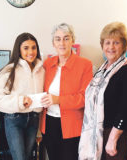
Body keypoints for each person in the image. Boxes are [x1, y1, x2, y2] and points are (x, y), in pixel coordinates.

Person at [78, 22, 127, 160]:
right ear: (102, 45)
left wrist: (113, 138)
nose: (111, 47)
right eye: (107, 43)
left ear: (123, 45)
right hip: (98, 134)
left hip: (116, 136)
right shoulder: (102, 70)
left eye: (116, 43)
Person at [40, 23, 93, 160]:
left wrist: (58, 100)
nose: (62, 43)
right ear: (53, 43)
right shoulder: (47, 63)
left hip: (72, 126)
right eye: (58, 39)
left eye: (66, 38)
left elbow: (85, 98)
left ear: (73, 41)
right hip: (49, 125)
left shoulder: (85, 65)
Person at [0, 32, 44, 160]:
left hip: (34, 120)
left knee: (28, 156)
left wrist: (40, 129)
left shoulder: (42, 70)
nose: (31, 51)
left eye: (33, 47)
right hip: (15, 120)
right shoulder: (9, 70)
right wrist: (19, 101)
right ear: (18, 49)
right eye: (26, 48)